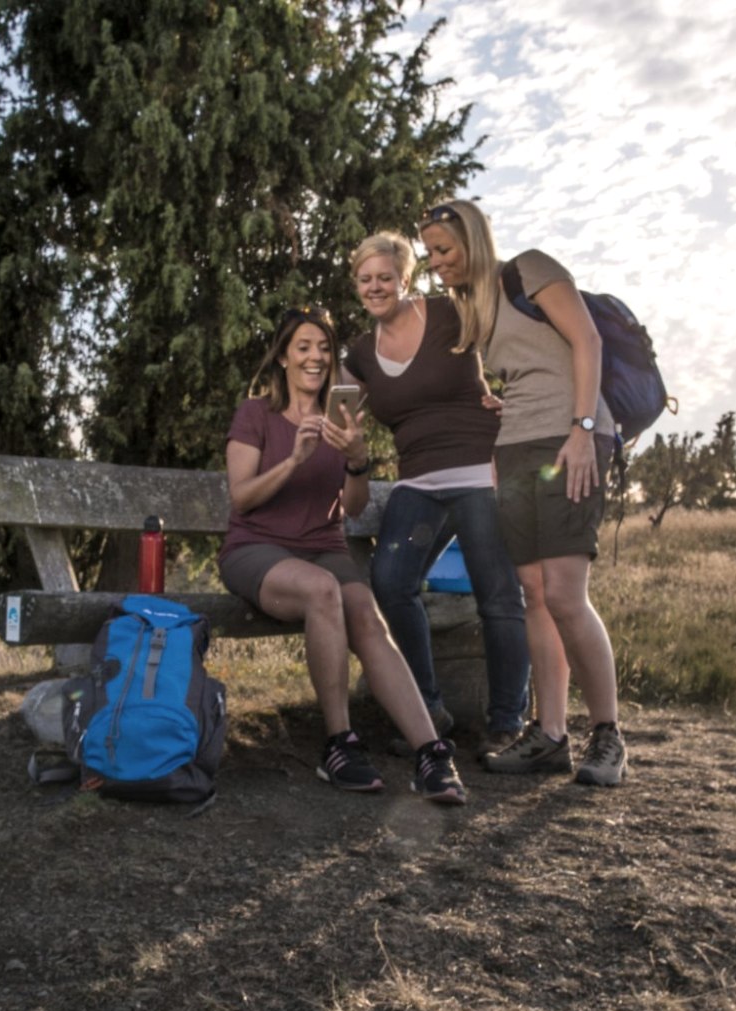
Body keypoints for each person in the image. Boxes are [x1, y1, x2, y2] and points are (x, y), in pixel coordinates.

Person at [414, 200, 628, 784]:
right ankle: (551, 735)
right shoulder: (475, 308)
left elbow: (586, 342)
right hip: (516, 447)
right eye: (430, 254)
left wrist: (583, 432)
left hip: (571, 439)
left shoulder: (529, 269)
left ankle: (608, 735)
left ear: (476, 240)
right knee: (533, 591)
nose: (437, 263)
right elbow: (535, 367)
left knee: (564, 593)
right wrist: (502, 408)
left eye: (445, 250)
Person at [219, 304, 467, 804]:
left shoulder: (345, 419)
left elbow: (352, 509)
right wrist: (294, 460)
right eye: (303, 347)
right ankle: (338, 744)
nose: (315, 357)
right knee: (323, 591)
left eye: (324, 348)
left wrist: (356, 461)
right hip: (256, 550)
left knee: (367, 617)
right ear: (284, 358)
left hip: (324, 546)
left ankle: (430, 753)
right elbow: (242, 497)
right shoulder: (256, 414)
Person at [341, 232, 532, 759]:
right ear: (356, 284)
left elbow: (521, 346)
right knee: (390, 580)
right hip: (418, 481)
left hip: (479, 470)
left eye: (385, 277)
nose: (375, 287)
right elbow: (324, 405)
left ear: (405, 279)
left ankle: (506, 722)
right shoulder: (358, 355)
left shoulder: (452, 312)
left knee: (498, 595)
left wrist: (514, 401)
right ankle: (428, 709)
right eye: (365, 279)